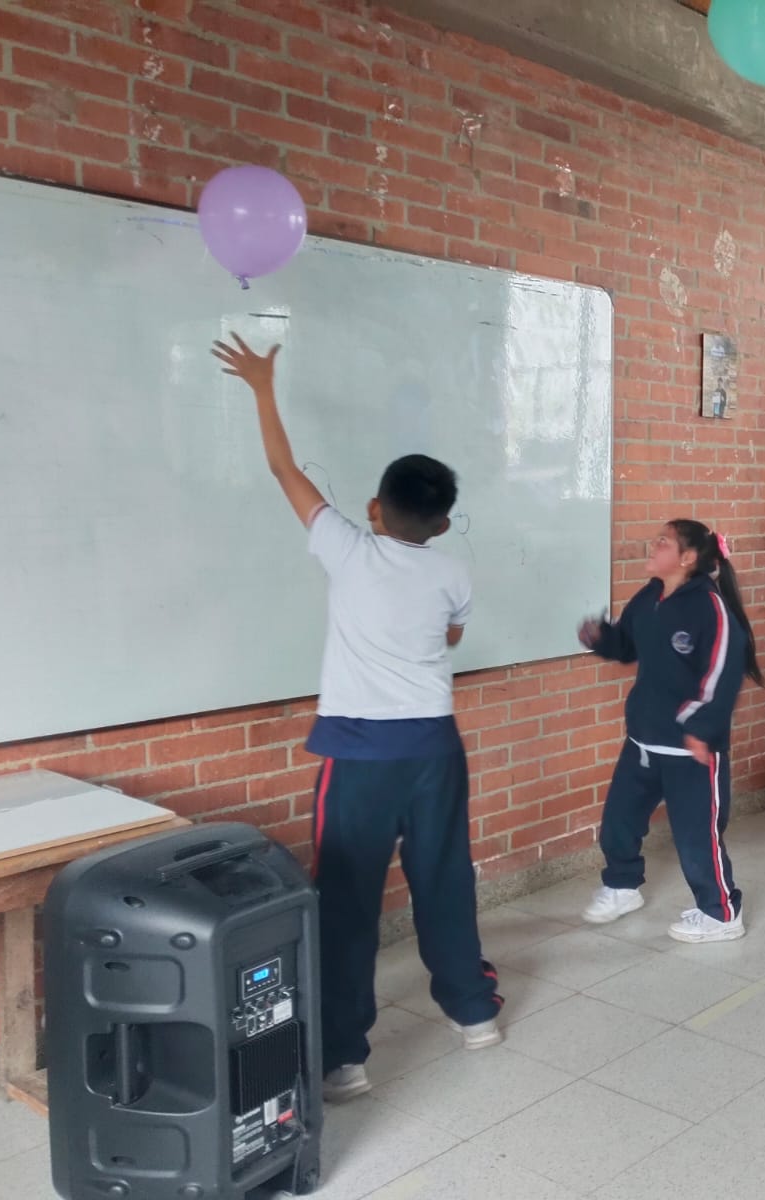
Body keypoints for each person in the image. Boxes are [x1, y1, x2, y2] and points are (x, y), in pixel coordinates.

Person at [212, 334, 502, 1105]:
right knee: (445, 882)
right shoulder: (453, 570)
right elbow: (450, 639)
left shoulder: (347, 548)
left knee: (346, 901)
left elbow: (285, 469)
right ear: (442, 523)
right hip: (435, 750)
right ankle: (474, 1016)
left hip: (362, 758)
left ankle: (345, 1058)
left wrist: (262, 387)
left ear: (375, 509)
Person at [577, 520, 764, 942]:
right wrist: (601, 638)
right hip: (643, 740)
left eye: (663, 541)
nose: (652, 545)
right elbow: (627, 645)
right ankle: (623, 887)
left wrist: (701, 728)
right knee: (618, 824)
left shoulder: (710, 608)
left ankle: (721, 912)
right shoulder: (651, 597)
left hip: (690, 750)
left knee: (698, 837)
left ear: (687, 558)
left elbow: (722, 673)